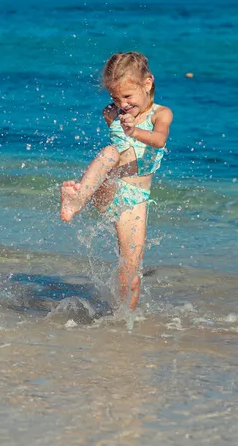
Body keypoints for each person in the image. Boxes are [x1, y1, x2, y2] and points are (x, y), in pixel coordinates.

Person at [60, 52, 173, 310]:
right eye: (115, 97)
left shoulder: (161, 114)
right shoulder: (112, 113)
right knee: (110, 152)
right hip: (108, 188)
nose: (122, 104)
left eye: (127, 96)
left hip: (135, 200)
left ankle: (124, 320)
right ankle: (75, 201)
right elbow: (119, 148)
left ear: (147, 83)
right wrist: (120, 123)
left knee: (131, 270)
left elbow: (159, 140)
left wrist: (134, 130)